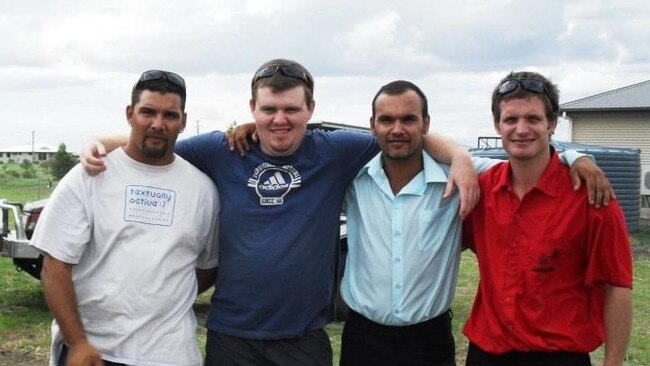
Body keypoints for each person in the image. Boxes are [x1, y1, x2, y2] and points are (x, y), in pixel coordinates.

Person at [82, 60, 610, 366]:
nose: (280, 119)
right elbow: (154, 141)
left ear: (312, 112)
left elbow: (493, 144)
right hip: (238, 335)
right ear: (252, 111)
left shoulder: (338, 152)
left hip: (324, 338)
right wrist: (96, 145)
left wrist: (568, 154)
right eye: (268, 109)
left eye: (292, 108)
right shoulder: (226, 150)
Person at [336, 80, 614, 366]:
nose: (397, 129)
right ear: (372, 125)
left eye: (409, 119)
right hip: (362, 339)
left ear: (426, 124)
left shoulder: (462, 177)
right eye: (386, 120)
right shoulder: (351, 180)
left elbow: (528, 165)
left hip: (428, 341)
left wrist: (575, 158)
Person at [31, 70, 220, 366]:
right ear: (130, 114)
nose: (158, 124)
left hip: (171, 355)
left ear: (183, 121)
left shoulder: (203, 190)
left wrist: (162, 293)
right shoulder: (89, 176)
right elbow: (54, 264)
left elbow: (207, 267)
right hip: (95, 353)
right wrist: (77, 342)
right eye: (148, 112)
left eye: (170, 115)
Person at [462, 71, 633, 366]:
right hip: (487, 354)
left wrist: (614, 362)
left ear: (552, 124)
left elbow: (617, 285)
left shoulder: (592, 196)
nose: (521, 129)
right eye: (511, 120)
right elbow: (424, 146)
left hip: (559, 355)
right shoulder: (482, 191)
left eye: (533, 119)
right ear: (497, 126)